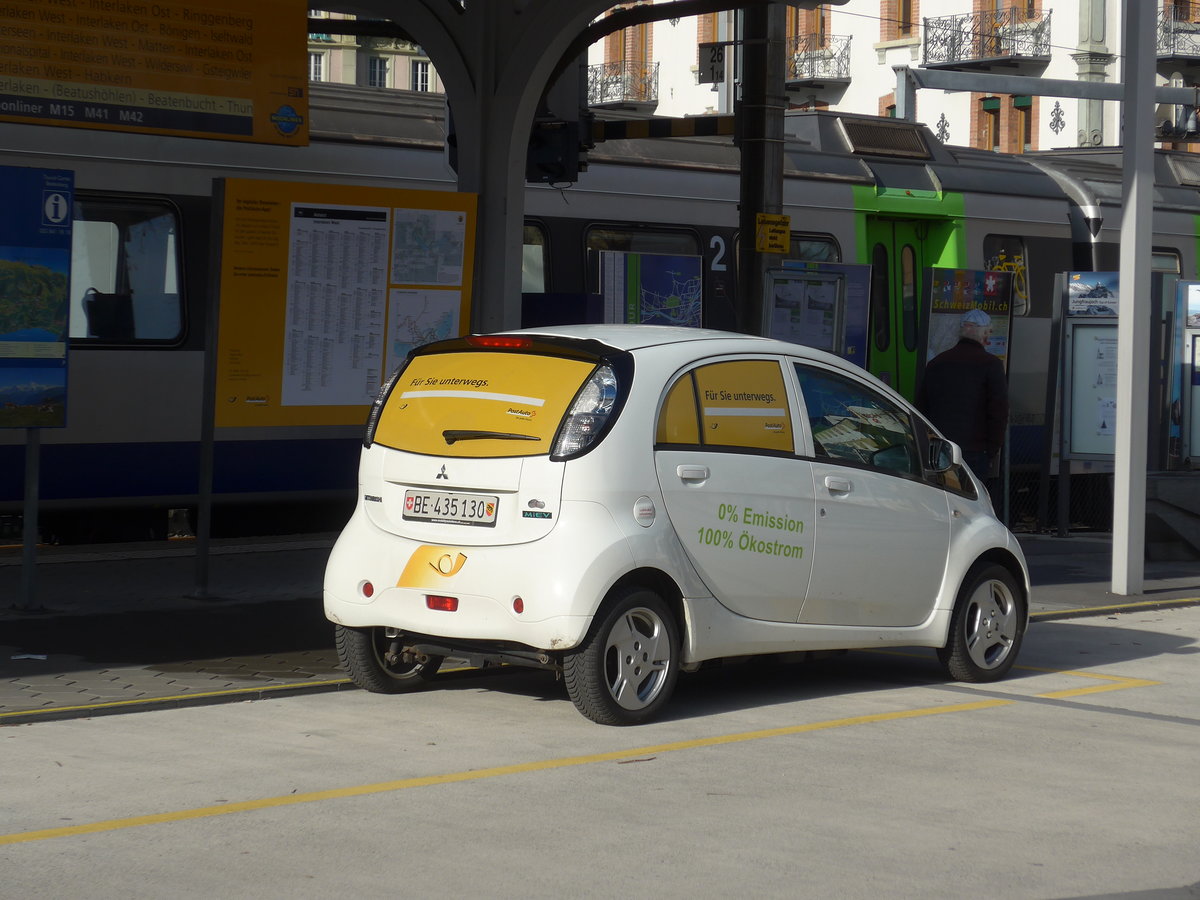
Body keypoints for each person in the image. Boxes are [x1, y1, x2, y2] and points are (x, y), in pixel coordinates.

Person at [917, 308, 1009, 486]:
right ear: (983, 334)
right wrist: (991, 449)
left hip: (940, 448)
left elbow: (922, 407)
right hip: (974, 452)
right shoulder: (991, 365)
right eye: (988, 332)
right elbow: (998, 412)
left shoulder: (937, 363)